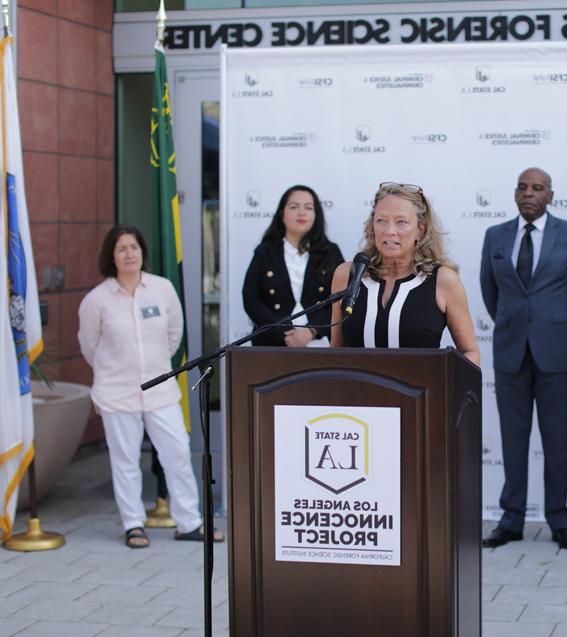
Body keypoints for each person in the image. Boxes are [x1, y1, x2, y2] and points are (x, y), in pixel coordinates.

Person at [78, 225, 222, 548]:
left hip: (160, 390)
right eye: (122, 249)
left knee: (177, 454)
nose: (129, 254)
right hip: (116, 393)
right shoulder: (96, 300)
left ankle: (189, 522)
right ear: (111, 257)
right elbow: (90, 347)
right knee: (126, 460)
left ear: (143, 253)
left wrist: (153, 367)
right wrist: (116, 370)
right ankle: (133, 524)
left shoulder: (162, 289)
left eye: (134, 247)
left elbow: (174, 335)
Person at [479, 167, 567, 551]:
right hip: (511, 353)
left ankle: (560, 521)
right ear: (515, 193)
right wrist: (515, 326)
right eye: (523, 187)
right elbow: (490, 293)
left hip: (556, 353)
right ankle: (511, 520)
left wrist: (561, 334)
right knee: (513, 441)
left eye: (538, 188)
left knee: (556, 440)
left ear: (550, 195)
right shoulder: (495, 236)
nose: (529, 193)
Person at [330, 181, 479, 366]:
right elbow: (337, 349)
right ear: (372, 227)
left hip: (422, 393)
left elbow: (470, 352)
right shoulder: (347, 274)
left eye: (401, 222)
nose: (390, 231)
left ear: (420, 231)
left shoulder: (443, 280)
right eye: (381, 220)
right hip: (358, 393)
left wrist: (446, 386)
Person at [243, 185, 344, 347]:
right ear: (282, 213)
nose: (301, 212)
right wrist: (282, 331)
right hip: (271, 345)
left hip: (321, 345)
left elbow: (342, 299)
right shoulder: (265, 252)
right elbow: (251, 299)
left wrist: (312, 330)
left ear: (316, 215)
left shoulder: (330, 252)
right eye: (294, 206)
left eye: (308, 207)